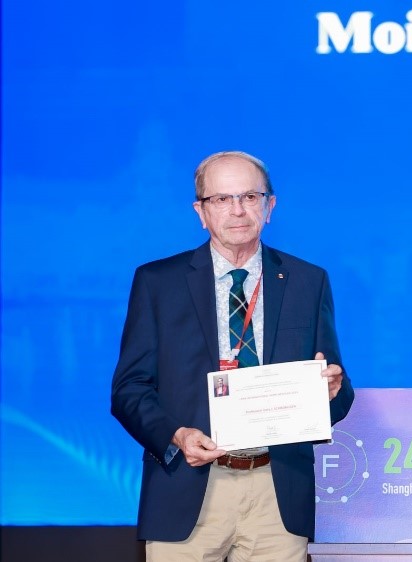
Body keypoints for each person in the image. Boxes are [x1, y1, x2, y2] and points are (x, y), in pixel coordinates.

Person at [111, 151, 354, 562]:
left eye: (249, 197)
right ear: (201, 212)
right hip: (187, 484)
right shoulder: (158, 283)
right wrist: (176, 436)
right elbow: (129, 390)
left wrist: (331, 392)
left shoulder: (308, 281)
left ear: (270, 206)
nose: (238, 210)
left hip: (277, 493)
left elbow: (338, 393)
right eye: (222, 199)